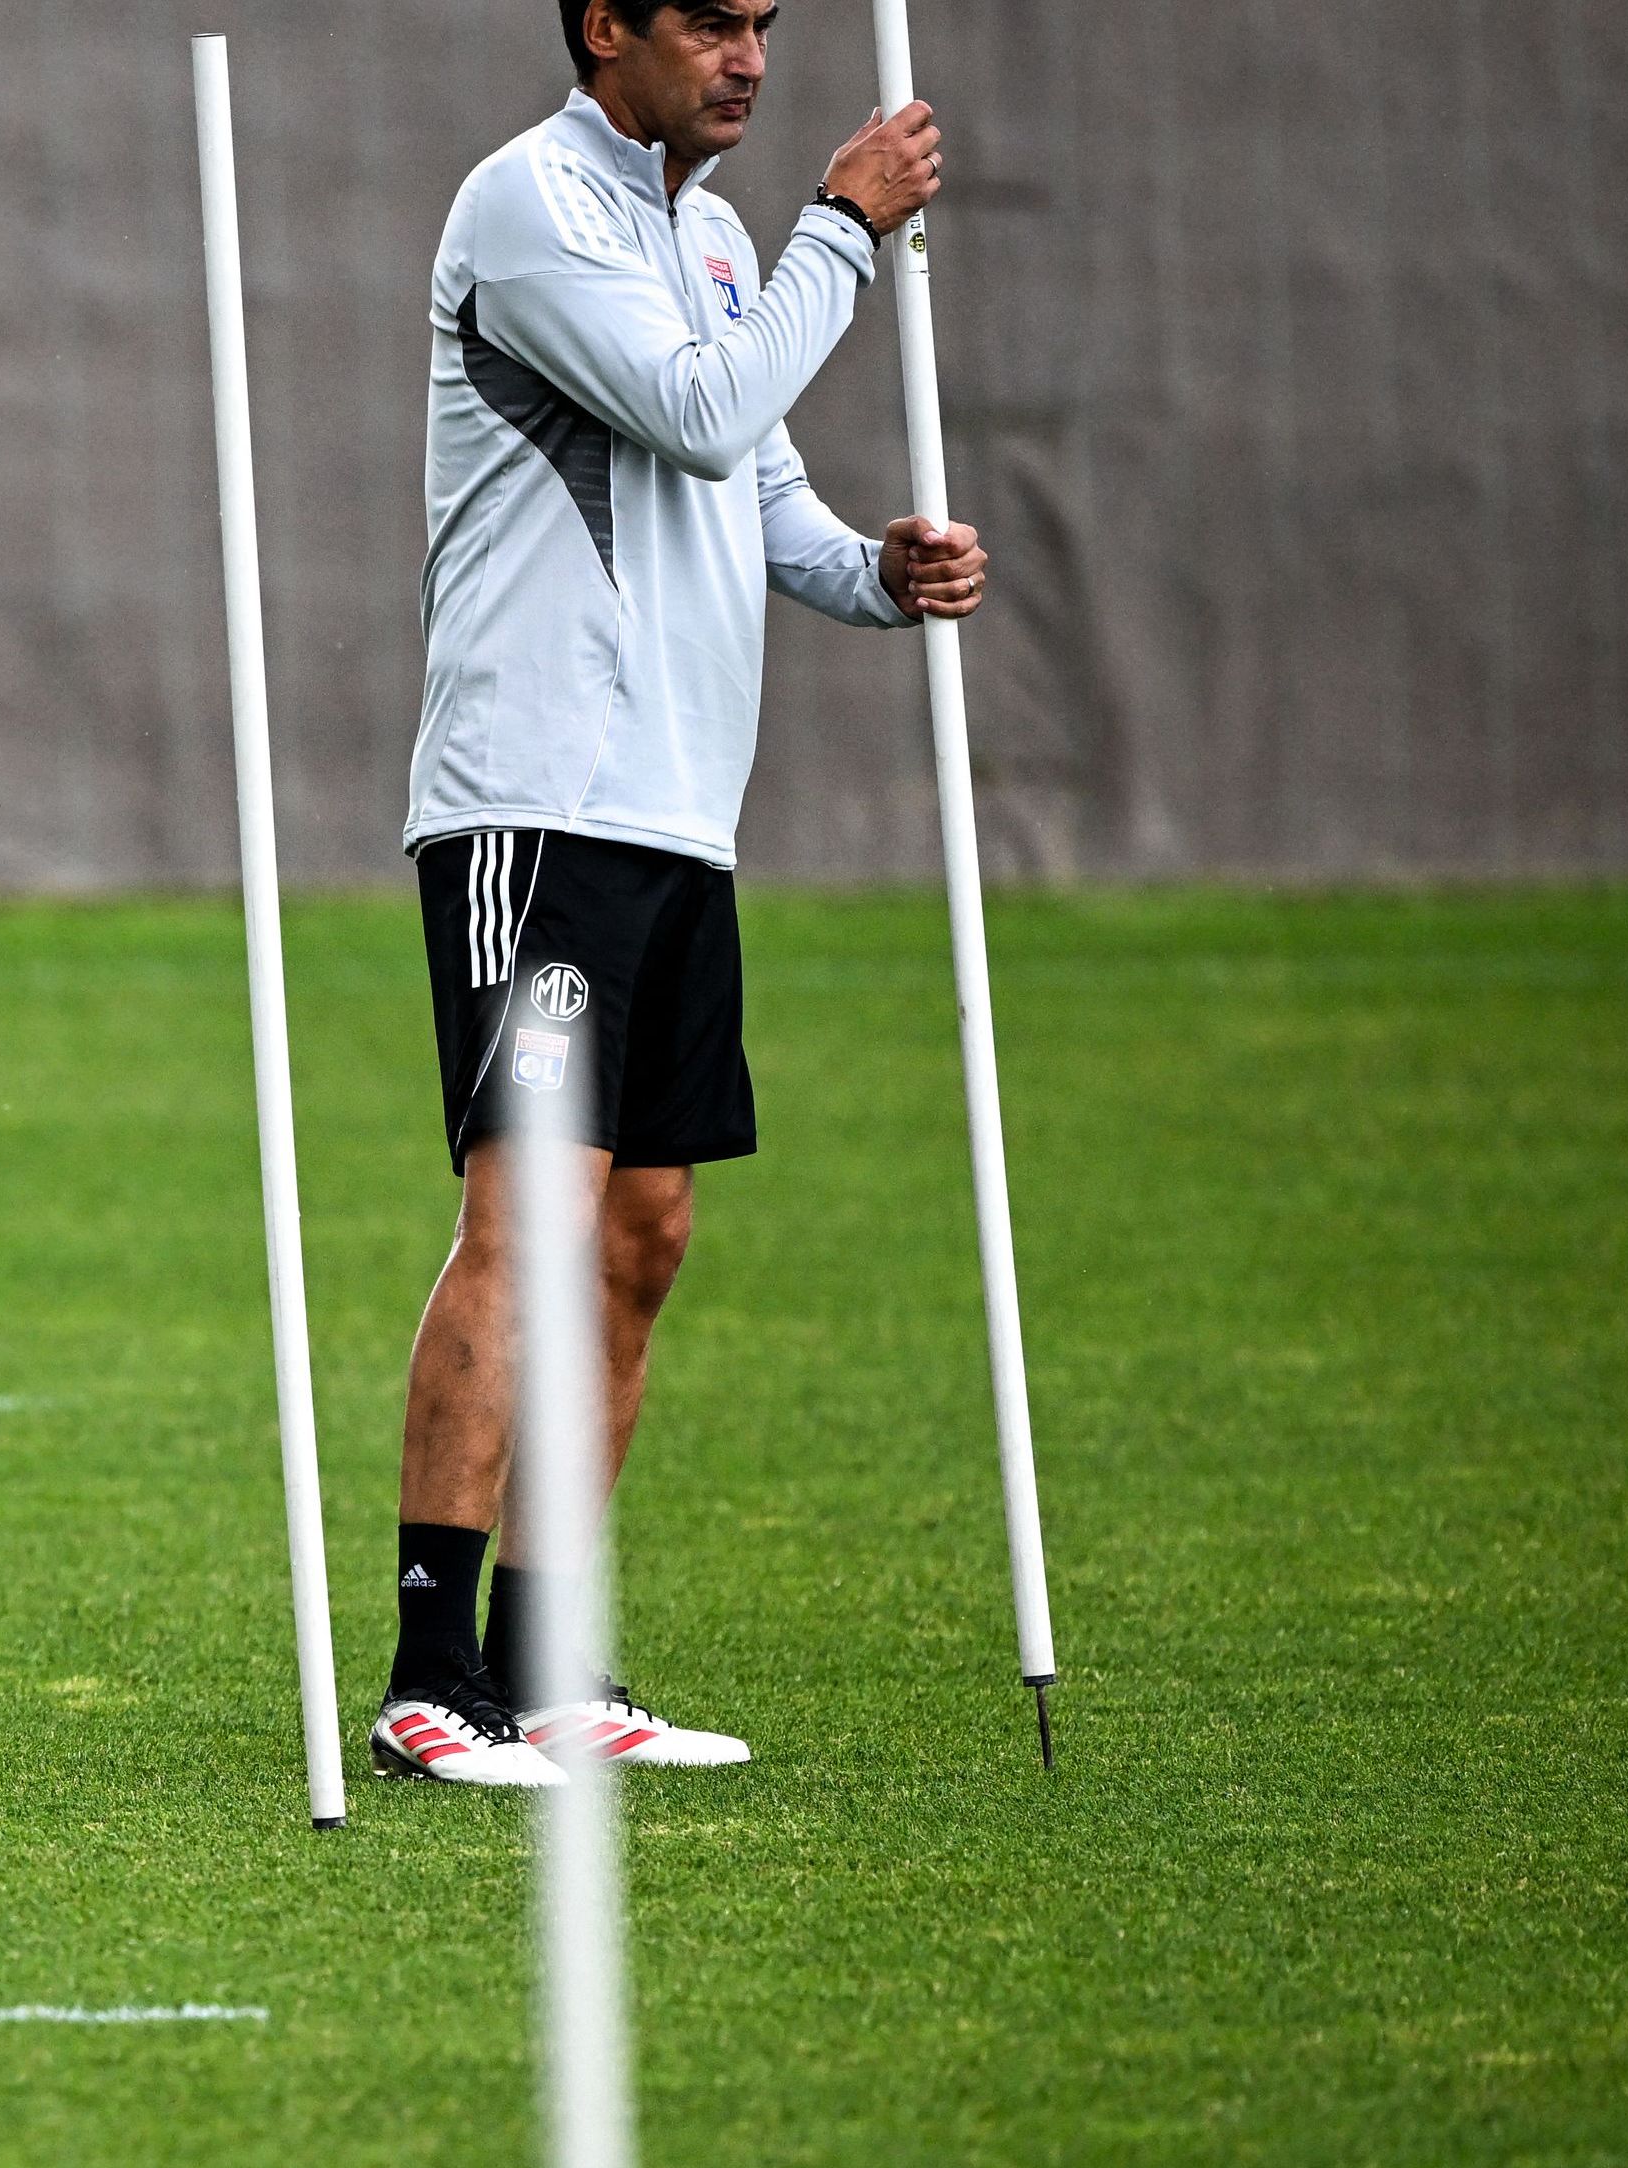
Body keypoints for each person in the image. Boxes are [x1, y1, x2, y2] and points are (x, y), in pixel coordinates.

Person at [368, 0, 985, 1788]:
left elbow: (761, 498)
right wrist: (849, 228)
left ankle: (549, 1668)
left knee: (643, 1238)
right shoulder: (530, 208)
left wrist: (882, 570)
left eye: (767, 25)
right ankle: (430, 1680)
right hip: (537, 809)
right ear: (605, 25)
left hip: (679, 823)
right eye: (710, 21)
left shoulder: (710, 241)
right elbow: (702, 412)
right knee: (534, 1224)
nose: (750, 59)